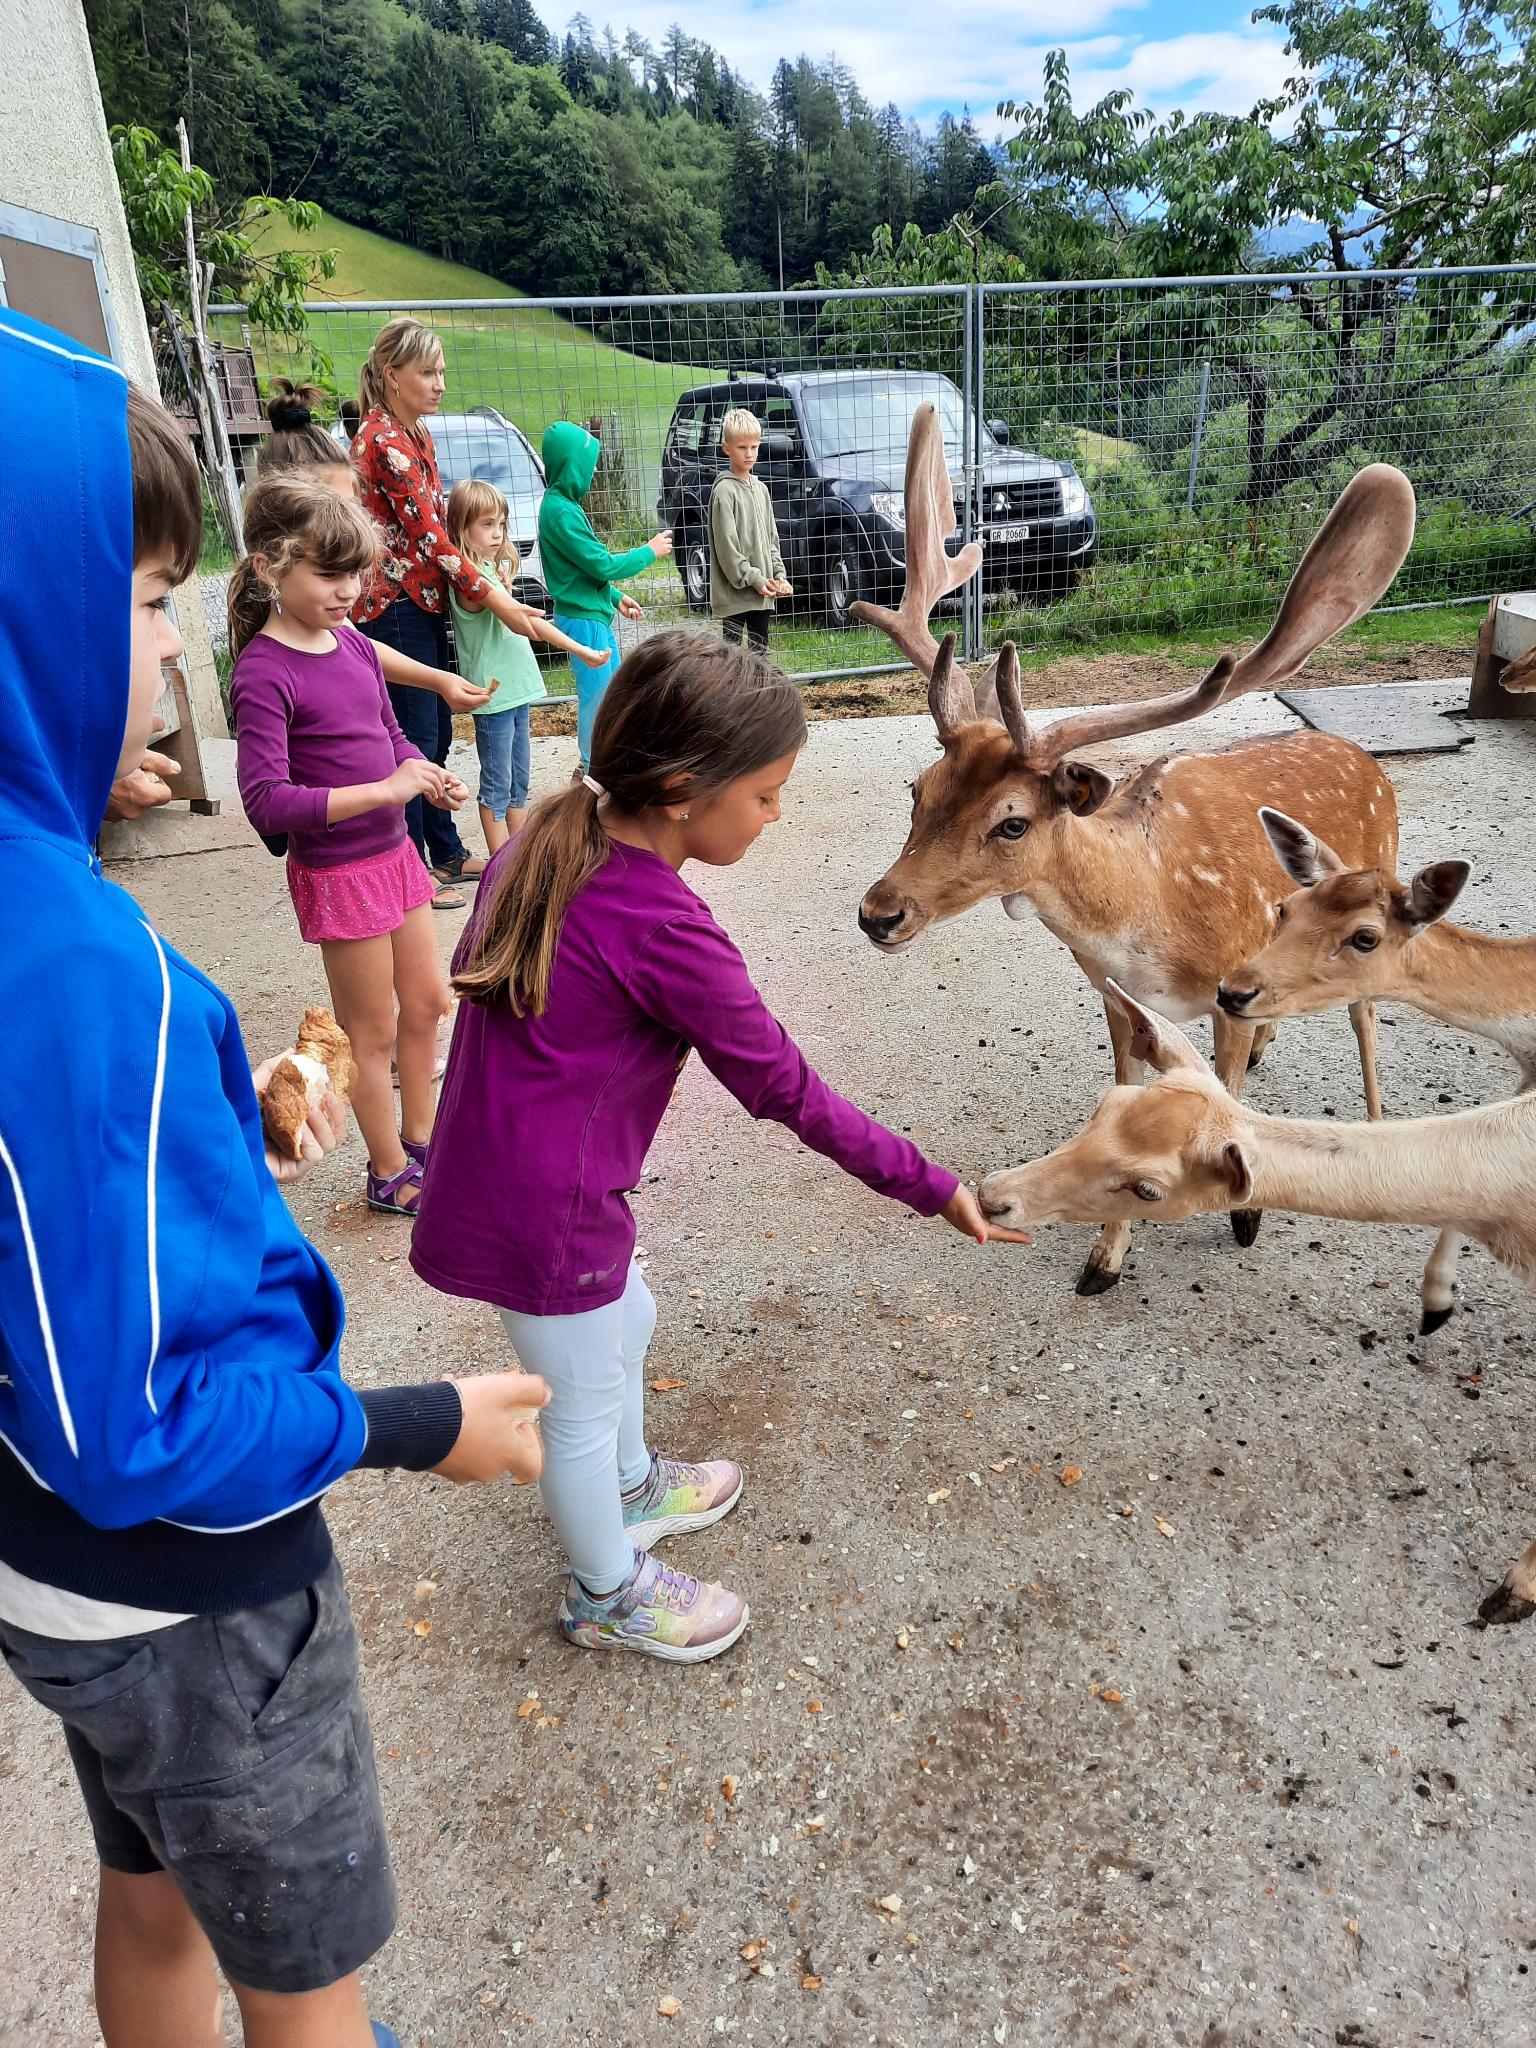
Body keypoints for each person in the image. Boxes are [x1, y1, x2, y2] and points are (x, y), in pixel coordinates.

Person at [0, 307, 549, 2048]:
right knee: (308, 1994)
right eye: (144, 592)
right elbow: (135, 1429)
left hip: (41, 1579)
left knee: (148, 1889)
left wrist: (191, 1122)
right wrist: (415, 1418)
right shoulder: (81, 966)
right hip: (194, 1596)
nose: (160, 644)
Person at [410, 630, 1027, 1663]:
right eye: (769, 792)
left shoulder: (551, 832)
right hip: (545, 1209)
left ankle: (629, 1482)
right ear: (687, 790)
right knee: (576, 1401)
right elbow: (786, 1088)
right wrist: (934, 1185)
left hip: (525, 1178)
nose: (779, 813)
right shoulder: (664, 926)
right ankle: (604, 1589)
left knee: (629, 1317)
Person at [229, 473, 466, 1217]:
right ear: (270, 565)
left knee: (428, 1002)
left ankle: (422, 1141)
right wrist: (382, 793)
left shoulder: (353, 646)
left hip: (395, 856)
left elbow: (387, 733)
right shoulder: (263, 672)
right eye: (330, 574)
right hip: (340, 872)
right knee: (373, 1032)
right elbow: (265, 802)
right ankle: (389, 1171)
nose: (349, 590)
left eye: (356, 573)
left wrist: (422, 777)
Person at [350, 319, 540, 905]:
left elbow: (439, 532)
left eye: (442, 373)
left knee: (433, 737)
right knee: (412, 739)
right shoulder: (382, 440)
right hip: (395, 606)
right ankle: (409, 869)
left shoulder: (416, 434)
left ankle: (447, 853)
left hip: (422, 601)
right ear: (392, 376)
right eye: (428, 373)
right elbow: (432, 538)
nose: (440, 385)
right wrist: (498, 601)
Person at [254, 385, 494, 726]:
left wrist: (440, 680)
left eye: (352, 507)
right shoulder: (269, 663)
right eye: (332, 509)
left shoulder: (320, 610)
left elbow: (359, 645)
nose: (350, 522)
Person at [445, 478, 608, 853]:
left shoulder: (488, 574)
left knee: (519, 784)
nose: (497, 533)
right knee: (497, 789)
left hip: (515, 692)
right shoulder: (471, 583)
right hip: (495, 696)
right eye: (486, 524)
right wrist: (580, 649)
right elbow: (528, 624)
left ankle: (518, 861)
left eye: (500, 524)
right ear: (461, 526)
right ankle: (501, 869)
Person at [536, 420, 673, 773]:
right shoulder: (560, 512)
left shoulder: (564, 506)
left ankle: (606, 761)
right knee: (596, 699)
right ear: (570, 466)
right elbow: (602, 564)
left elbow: (582, 571)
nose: (593, 472)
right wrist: (648, 551)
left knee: (612, 692)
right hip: (582, 623)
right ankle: (590, 769)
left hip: (592, 616)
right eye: (588, 466)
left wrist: (614, 598)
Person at [708, 407, 792, 651]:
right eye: (741, 447)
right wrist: (753, 578)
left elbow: (771, 539)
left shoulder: (762, 490)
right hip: (735, 595)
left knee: (759, 655)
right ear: (727, 448)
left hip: (762, 593)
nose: (749, 454)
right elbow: (727, 549)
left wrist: (778, 575)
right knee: (731, 659)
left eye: (753, 447)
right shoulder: (724, 492)